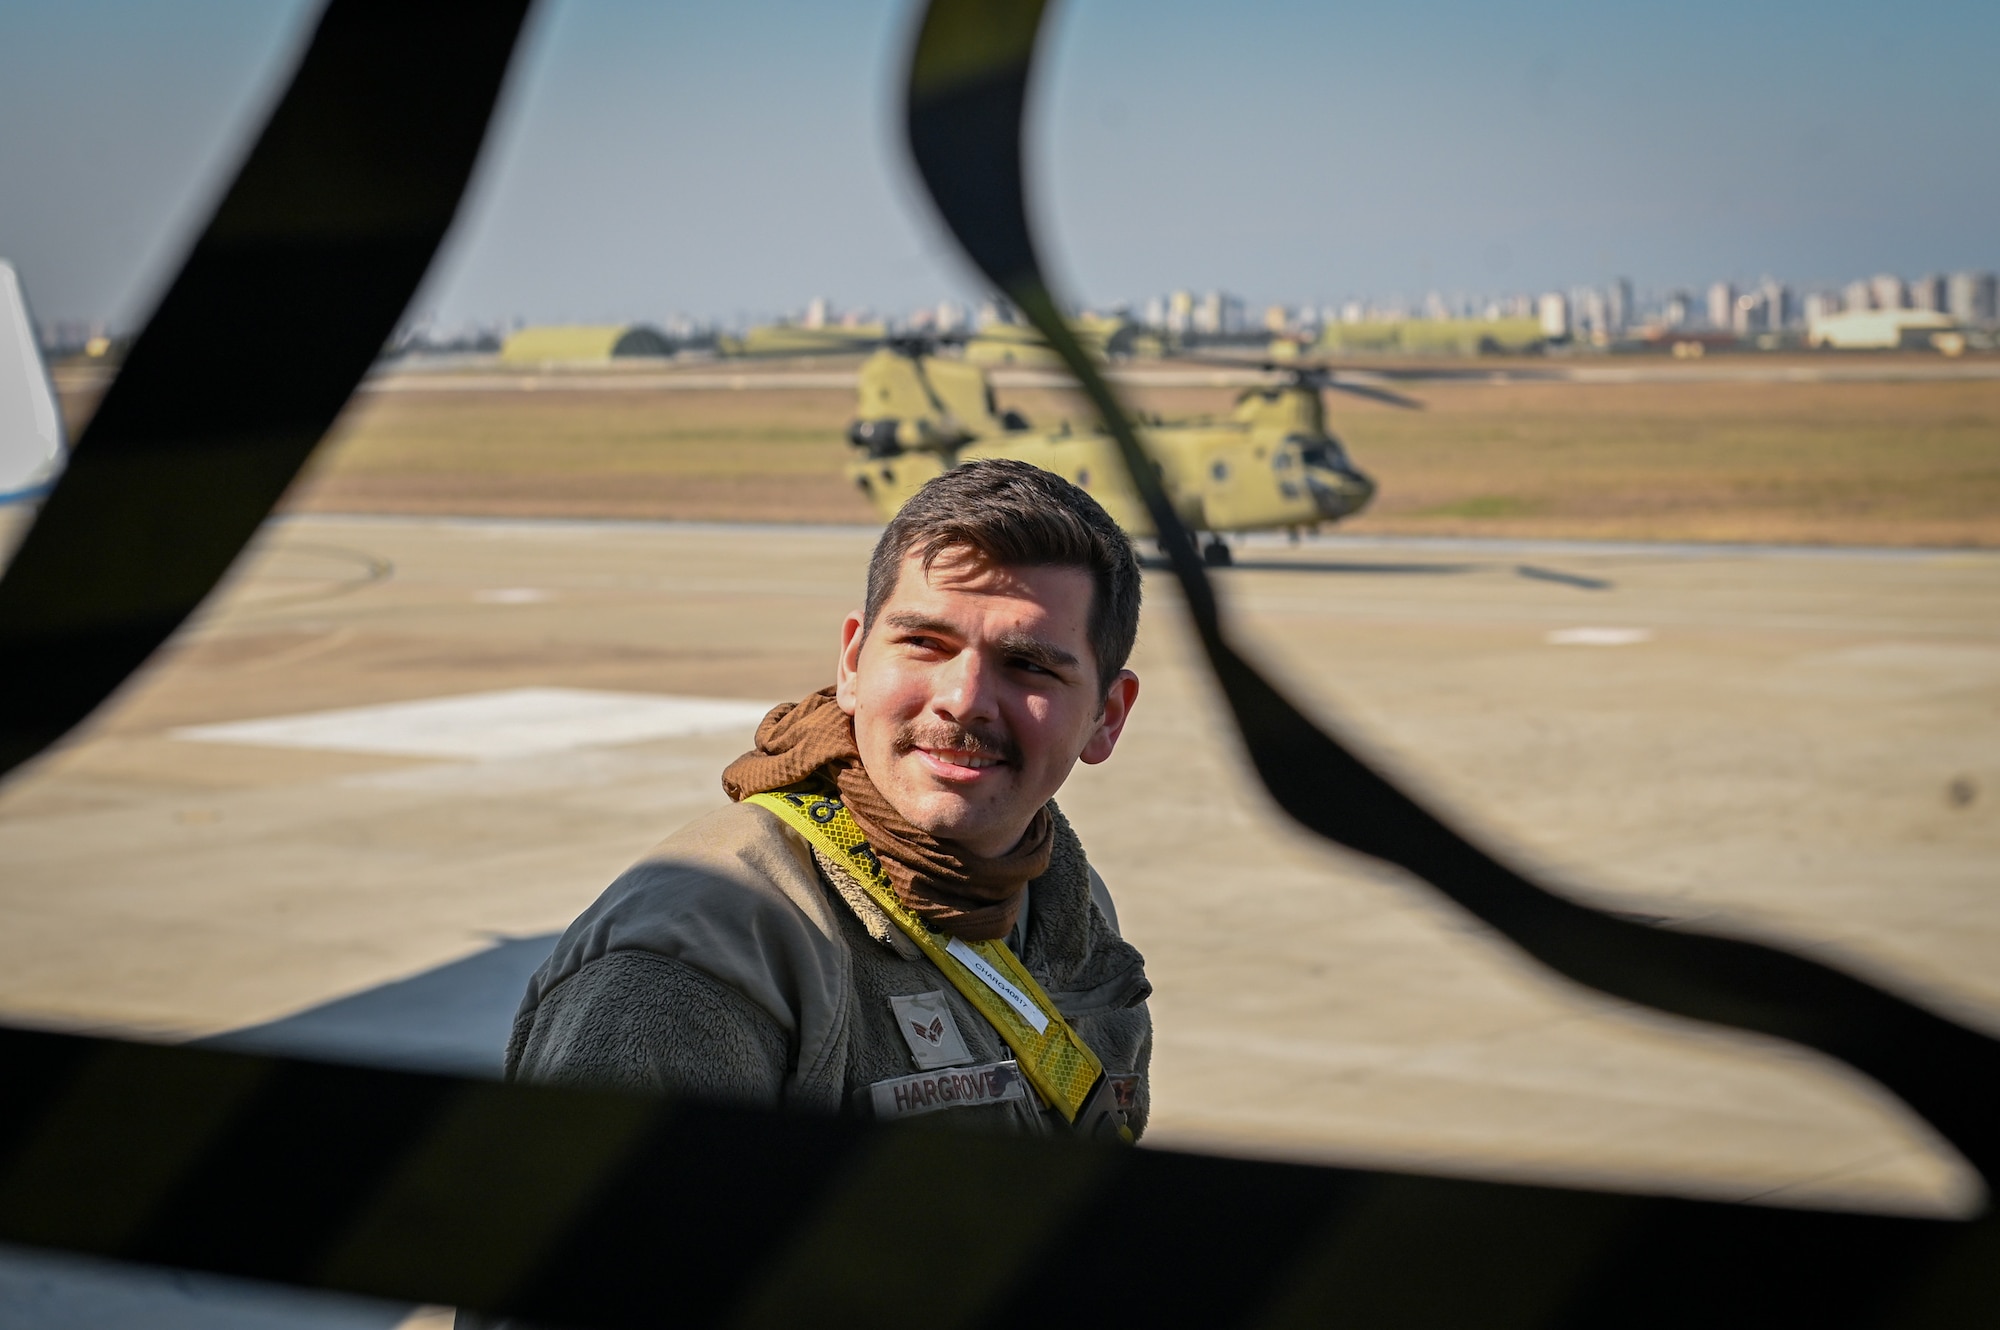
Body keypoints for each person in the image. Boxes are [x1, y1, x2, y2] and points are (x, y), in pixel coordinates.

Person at [505, 459, 1152, 1137]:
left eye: (1028, 665)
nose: (962, 701)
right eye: (924, 643)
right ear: (852, 662)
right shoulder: (707, 953)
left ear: (1107, 716)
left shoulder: (1065, 908)